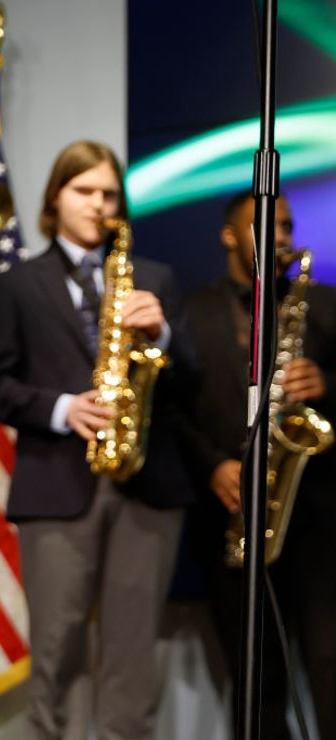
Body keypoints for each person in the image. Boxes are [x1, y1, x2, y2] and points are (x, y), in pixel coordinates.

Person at [0, 140, 196, 740]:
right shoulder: (19, 283)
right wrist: (62, 407)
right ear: (55, 198)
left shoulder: (156, 279)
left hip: (146, 484)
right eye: (84, 190)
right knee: (55, 648)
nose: (99, 204)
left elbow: (196, 380)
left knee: (132, 653)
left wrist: (166, 334)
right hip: (56, 483)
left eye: (109, 193)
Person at [183, 192, 336, 738]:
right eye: (266, 225)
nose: (281, 236)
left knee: (329, 668)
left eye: (288, 226)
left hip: (318, 520)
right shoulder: (194, 309)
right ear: (229, 236)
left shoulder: (324, 303)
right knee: (257, 682)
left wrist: (329, 385)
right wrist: (213, 465)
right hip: (235, 515)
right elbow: (175, 409)